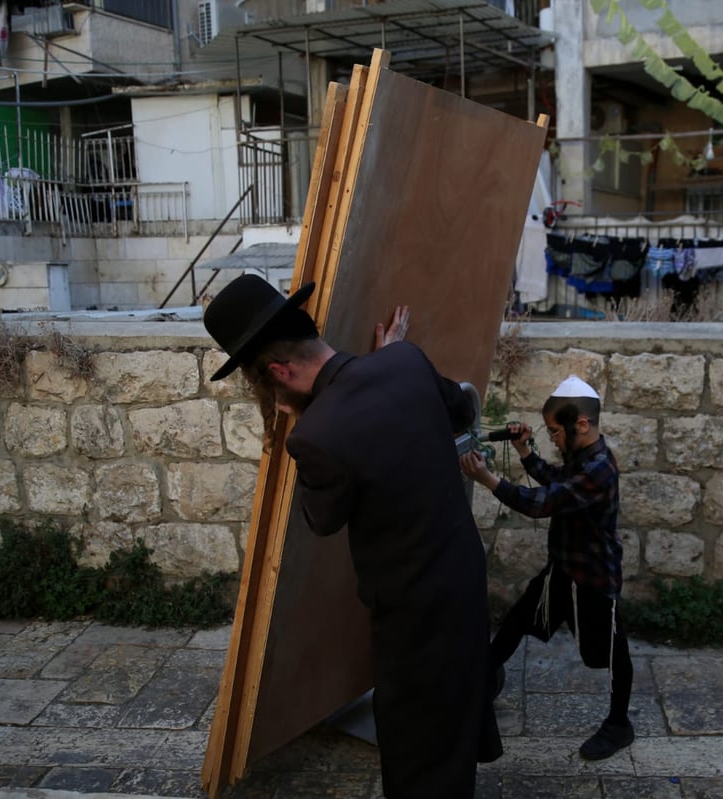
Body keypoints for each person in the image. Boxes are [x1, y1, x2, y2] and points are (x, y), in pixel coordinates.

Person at [203, 274, 501, 798]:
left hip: (413, 613)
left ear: (277, 371)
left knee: (416, 751)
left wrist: (306, 420)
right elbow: (458, 408)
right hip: (462, 571)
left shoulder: (317, 437)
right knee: (454, 716)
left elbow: (323, 520)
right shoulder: (405, 360)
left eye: (264, 385)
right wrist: (384, 362)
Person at [459, 374, 635, 761]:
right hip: (562, 571)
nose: (552, 438)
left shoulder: (600, 468)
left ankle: (620, 724)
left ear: (582, 424)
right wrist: (525, 451)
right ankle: (477, 691)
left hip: (593, 576)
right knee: (517, 621)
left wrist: (489, 479)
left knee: (609, 651)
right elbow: (555, 479)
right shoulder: (581, 458)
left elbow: (545, 501)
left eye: (556, 431)